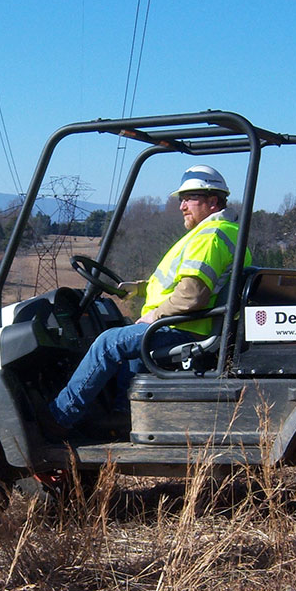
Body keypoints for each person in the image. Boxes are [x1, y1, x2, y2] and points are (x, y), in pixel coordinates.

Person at [48, 164, 249, 429]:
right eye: (181, 199)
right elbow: (190, 283)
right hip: (191, 324)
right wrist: (141, 288)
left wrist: (154, 315)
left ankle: (59, 417)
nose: (182, 206)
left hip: (185, 328)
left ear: (213, 201)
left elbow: (192, 296)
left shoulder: (209, 237)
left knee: (108, 343)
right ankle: (123, 417)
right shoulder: (229, 233)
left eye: (189, 198)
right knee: (131, 346)